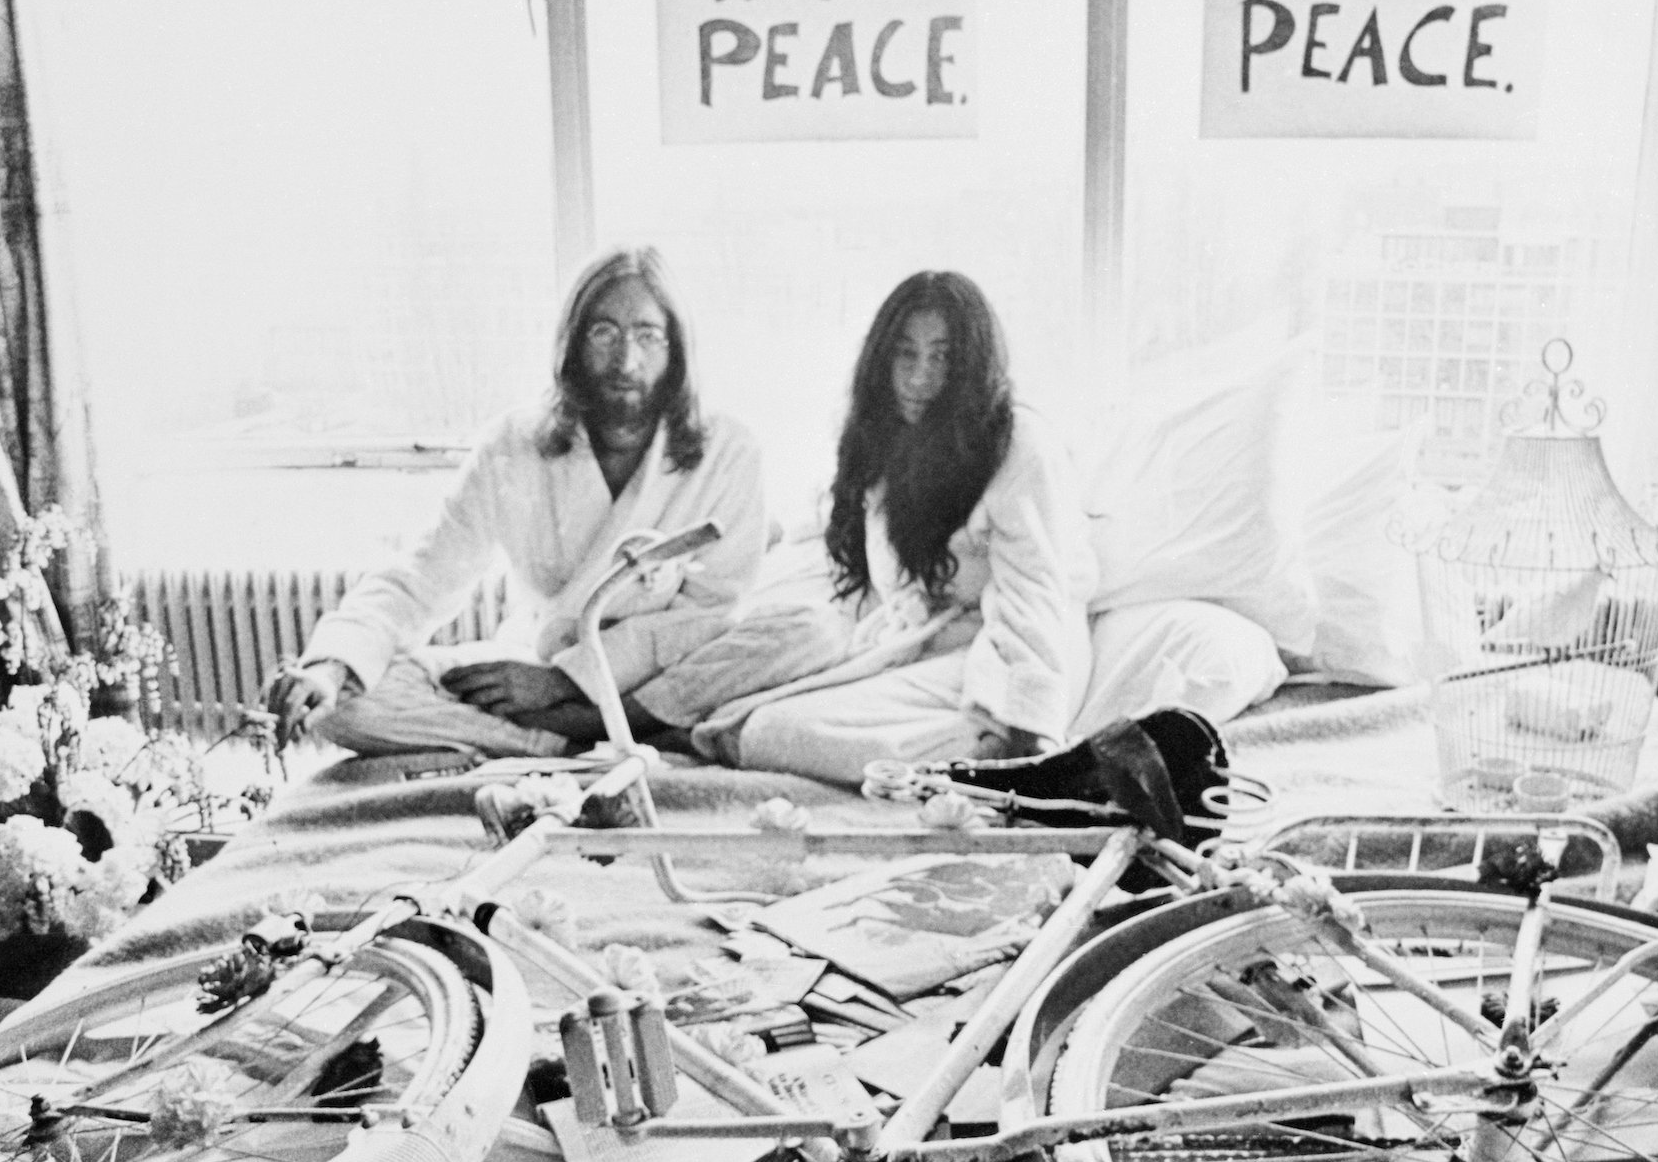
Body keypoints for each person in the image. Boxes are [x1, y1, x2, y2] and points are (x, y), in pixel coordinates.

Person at [264, 246, 764, 757]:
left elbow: (713, 613)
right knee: (344, 705)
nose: (626, 361)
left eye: (647, 335)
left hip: (656, 682)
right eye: (604, 332)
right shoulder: (513, 444)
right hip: (530, 670)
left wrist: (566, 682)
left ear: (676, 348)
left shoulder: (728, 450)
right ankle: (557, 740)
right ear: (572, 343)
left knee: (775, 647)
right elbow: (423, 577)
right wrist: (332, 666)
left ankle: (583, 728)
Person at [665, 270, 1094, 785]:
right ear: (881, 359)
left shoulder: (1020, 444)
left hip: (1016, 652)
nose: (919, 378)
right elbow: (841, 524)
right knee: (748, 721)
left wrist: (1033, 733)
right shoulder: (888, 441)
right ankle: (975, 753)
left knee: (768, 733)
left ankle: (1007, 764)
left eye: (942, 357)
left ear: (972, 367)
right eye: (905, 354)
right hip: (933, 641)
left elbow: (1035, 594)